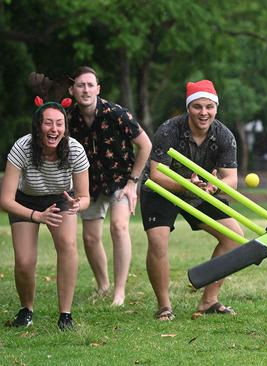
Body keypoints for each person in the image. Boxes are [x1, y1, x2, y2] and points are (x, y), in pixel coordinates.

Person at [141, 79, 243, 321]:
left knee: (234, 237)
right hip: (162, 188)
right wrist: (186, 185)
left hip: (200, 190)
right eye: (197, 106)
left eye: (209, 106)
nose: (204, 112)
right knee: (158, 240)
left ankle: (209, 300)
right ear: (188, 108)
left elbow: (231, 180)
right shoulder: (168, 130)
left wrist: (212, 188)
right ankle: (164, 306)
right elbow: (156, 174)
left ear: (216, 108)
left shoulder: (225, 136)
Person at [0, 97, 90, 331]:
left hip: (62, 198)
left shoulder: (75, 150)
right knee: (24, 261)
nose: (54, 129)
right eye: (48, 123)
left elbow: (85, 197)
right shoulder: (23, 147)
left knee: (68, 245)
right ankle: (26, 309)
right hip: (25, 200)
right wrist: (36, 215)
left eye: (59, 123)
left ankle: (65, 315)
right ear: (38, 126)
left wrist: (77, 204)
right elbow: (5, 200)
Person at [67, 66, 152, 306]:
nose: (85, 90)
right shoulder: (68, 118)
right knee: (91, 238)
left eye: (90, 85)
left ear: (98, 89)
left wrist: (133, 183)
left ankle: (119, 292)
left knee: (119, 227)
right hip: (89, 183)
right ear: (72, 90)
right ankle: (103, 286)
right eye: (81, 85)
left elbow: (145, 145)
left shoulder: (116, 113)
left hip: (121, 179)